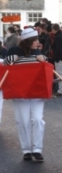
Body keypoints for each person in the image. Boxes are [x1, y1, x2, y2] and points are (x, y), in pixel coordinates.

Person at [3, 28, 47, 162]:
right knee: (23, 121)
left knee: (38, 120)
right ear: (28, 41)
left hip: (36, 92)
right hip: (20, 92)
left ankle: (37, 149)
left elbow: (46, 68)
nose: (38, 43)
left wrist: (43, 59)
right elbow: (5, 64)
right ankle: (27, 150)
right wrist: (12, 59)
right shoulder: (14, 51)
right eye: (35, 40)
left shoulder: (38, 52)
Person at [52, 24, 62, 96]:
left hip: (59, 58)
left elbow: (58, 49)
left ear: (54, 29)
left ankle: (61, 90)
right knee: (61, 74)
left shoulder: (58, 37)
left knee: (60, 75)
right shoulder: (61, 36)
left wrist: (56, 58)